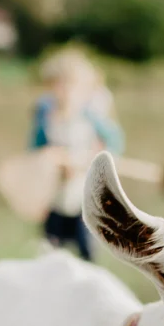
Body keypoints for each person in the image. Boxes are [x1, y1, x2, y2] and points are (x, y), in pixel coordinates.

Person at [29, 48, 124, 258]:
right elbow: (36, 148)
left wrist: (99, 161)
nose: (64, 91)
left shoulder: (90, 117)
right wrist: (47, 159)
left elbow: (114, 141)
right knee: (51, 248)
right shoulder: (47, 115)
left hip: (82, 194)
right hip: (55, 194)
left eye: (70, 85)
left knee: (86, 247)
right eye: (58, 84)